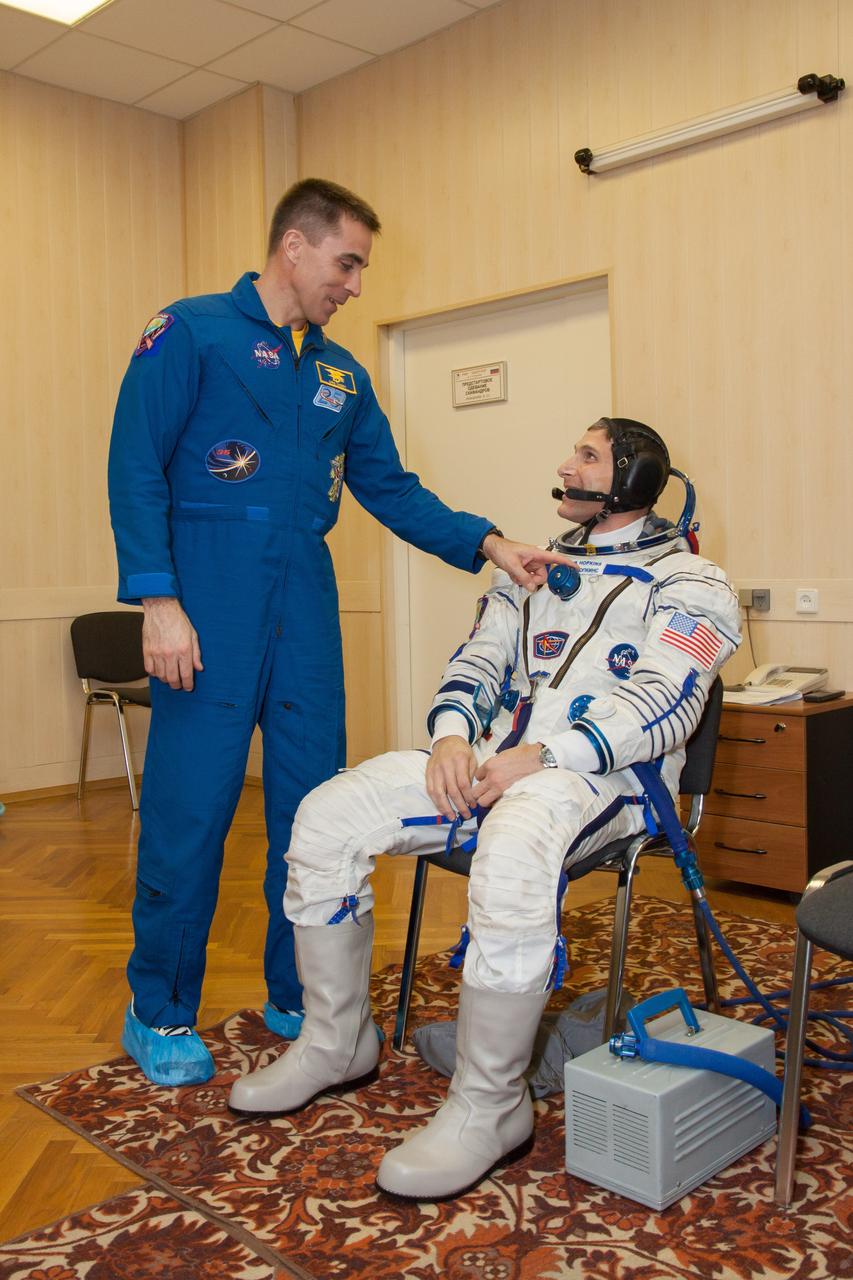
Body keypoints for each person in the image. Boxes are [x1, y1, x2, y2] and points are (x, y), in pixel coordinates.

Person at [107, 178, 570, 1088]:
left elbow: (390, 488)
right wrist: (158, 601)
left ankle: (303, 994)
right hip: (206, 601)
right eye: (347, 262)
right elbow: (135, 466)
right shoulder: (190, 332)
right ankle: (157, 1007)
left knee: (312, 810)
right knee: (187, 814)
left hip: (304, 608)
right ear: (294, 247)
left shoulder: (339, 375)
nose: (355, 283)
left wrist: (487, 543)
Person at [227, 417, 742, 1201]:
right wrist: (449, 739)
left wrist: (540, 757)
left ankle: (490, 1103)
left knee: (510, 850)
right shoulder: (529, 570)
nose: (563, 463)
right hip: (495, 765)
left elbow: (663, 706)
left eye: (587, 455)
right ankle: (336, 1043)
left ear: (631, 483)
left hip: (605, 781)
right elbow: (475, 661)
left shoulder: (692, 585)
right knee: (327, 814)